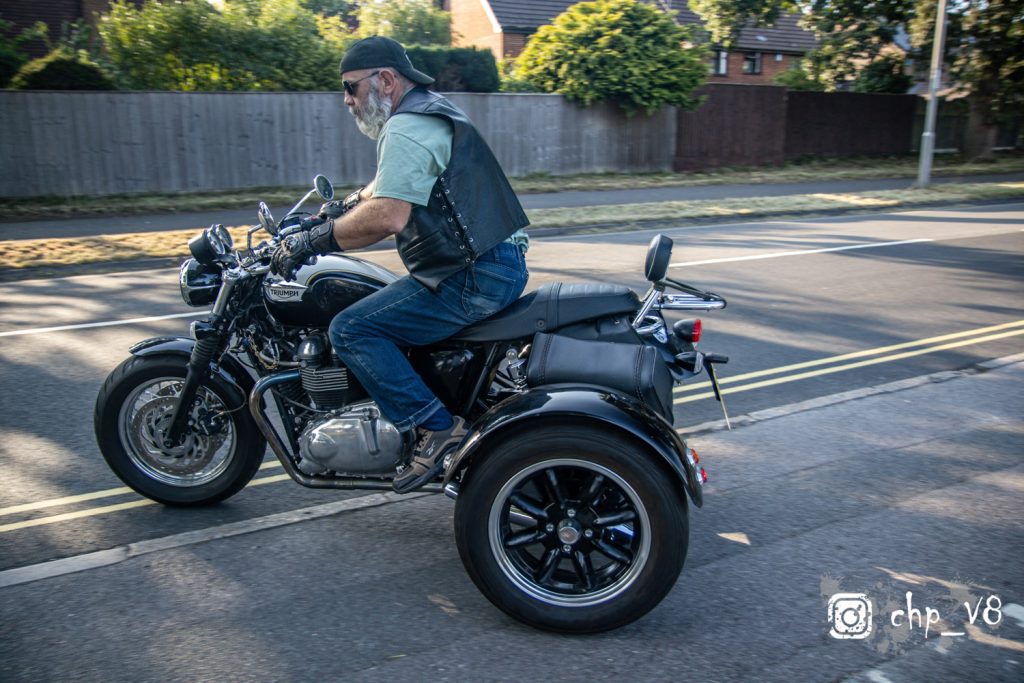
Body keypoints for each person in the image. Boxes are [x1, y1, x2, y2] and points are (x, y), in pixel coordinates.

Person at [270, 36, 530, 493]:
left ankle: (435, 427)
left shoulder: (407, 126)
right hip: (488, 263)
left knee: (351, 328)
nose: (346, 100)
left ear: (385, 80)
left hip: (472, 274)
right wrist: (341, 207)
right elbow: (385, 186)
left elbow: (389, 214)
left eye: (351, 88)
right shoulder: (428, 110)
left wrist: (314, 240)